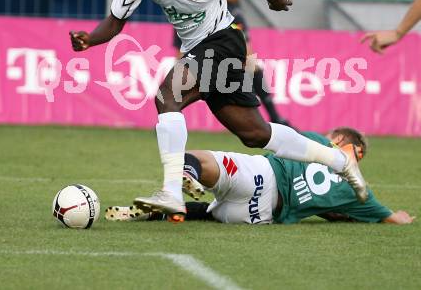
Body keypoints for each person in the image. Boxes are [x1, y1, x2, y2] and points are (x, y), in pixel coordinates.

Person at [70, 0, 367, 219]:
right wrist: (90, 39)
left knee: (166, 97)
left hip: (224, 41)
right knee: (255, 134)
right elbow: (115, 20)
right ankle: (339, 161)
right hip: (199, 51)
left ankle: (172, 192)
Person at [105, 127, 414, 225]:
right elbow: (392, 218)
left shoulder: (319, 143)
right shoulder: (358, 194)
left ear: (339, 139)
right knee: (214, 213)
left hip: (261, 176)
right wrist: (400, 217)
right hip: (260, 215)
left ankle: (189, 178)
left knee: (191, 158)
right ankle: (168, 211)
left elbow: (285, 142)